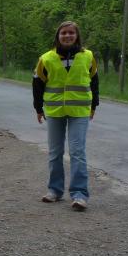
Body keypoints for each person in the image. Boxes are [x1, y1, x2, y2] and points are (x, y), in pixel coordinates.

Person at [33, 20, 98, 211]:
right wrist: (38, 108)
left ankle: (79, 195)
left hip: (80, 111)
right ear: (58, 36)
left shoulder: (88, 56)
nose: (67, 36)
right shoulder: (46, 58)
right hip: (55, 111)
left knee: (77, 152)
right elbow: (37, 84)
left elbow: (94, 81)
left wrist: (94, 105)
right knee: (55, 152)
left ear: (77, 36)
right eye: (64, 33)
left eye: (71, 33)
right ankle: (54, 190)